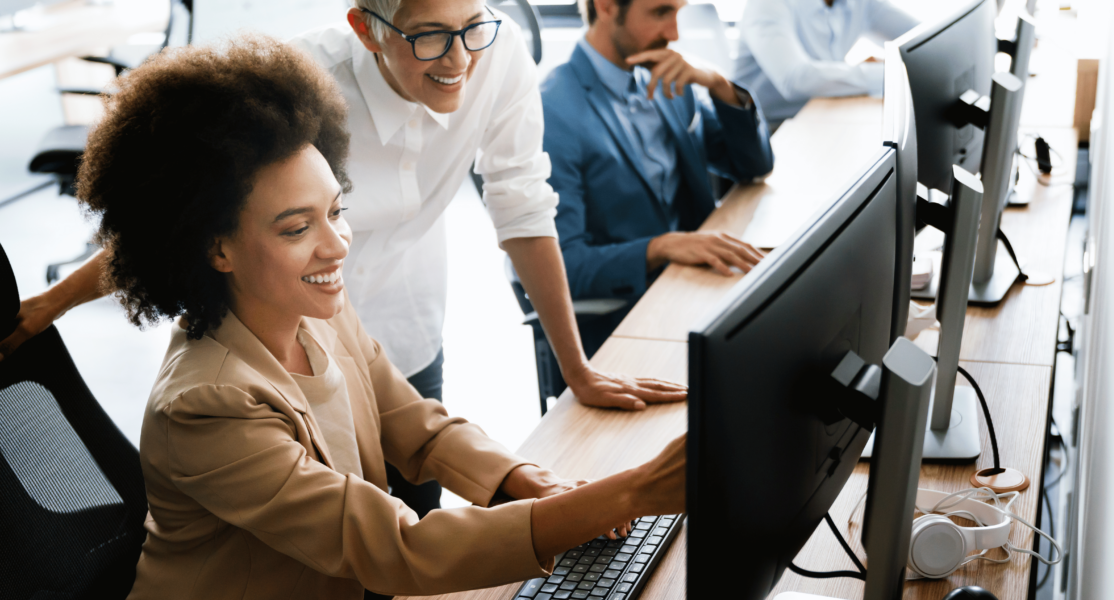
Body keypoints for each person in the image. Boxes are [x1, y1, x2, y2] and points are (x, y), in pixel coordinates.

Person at [0, 0, 687, 518]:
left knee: (417, 498)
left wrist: (577, 372)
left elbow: (523, 205)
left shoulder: (495, 50)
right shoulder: (297, 87)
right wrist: (51, 304)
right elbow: (181, 220)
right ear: (367, 28)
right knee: (333, 545)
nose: (458, 60)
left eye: (472, 26)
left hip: (397, 335)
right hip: (281, 342)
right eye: (428, 38)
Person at [541, 0, 774, 354]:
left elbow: (752, 165)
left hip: (700, 284)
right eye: (661, 12)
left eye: (678, 12)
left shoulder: (669, 76)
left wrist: (718, 84)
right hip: (632, 313)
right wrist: (661, 246)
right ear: (605, 6)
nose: (675, 34)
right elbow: (563, 266)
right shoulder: (552, 112)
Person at [735, 0, 919, 129]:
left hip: (821, 116)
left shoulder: (861, 3)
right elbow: (795, 79)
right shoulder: (767, 4)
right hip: (770, 129)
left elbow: (921, 37)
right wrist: (888, 74)